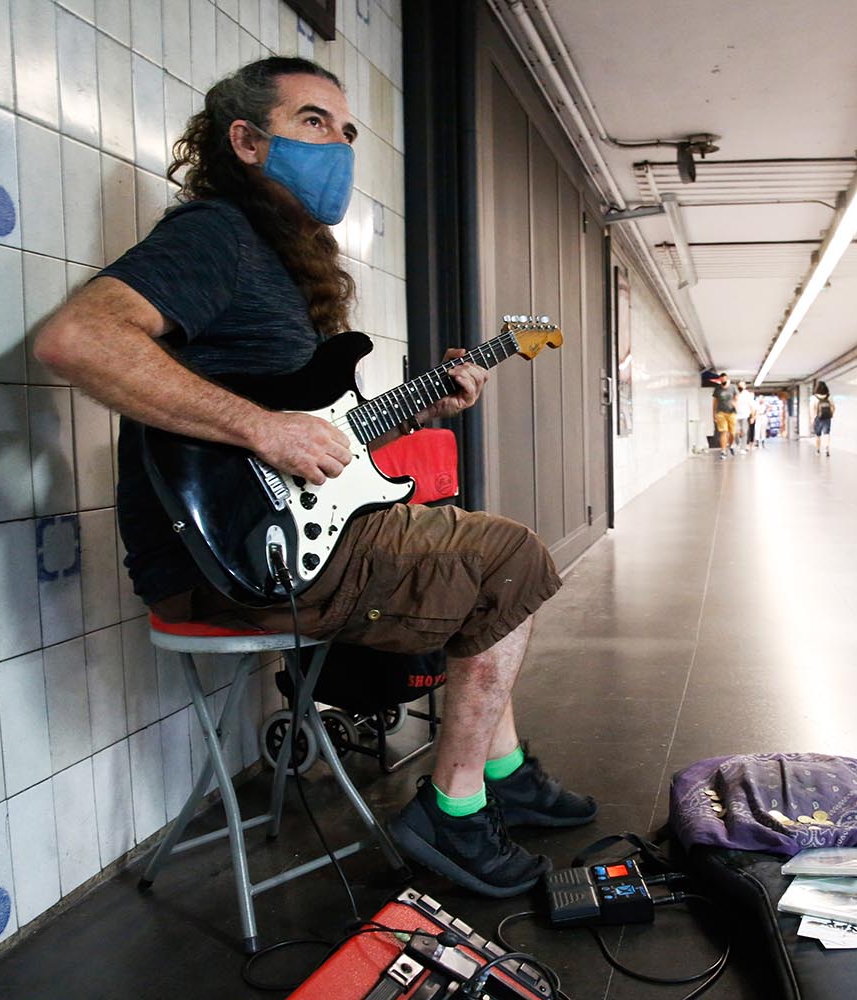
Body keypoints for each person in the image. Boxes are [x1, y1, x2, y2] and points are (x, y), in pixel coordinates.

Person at [32, 57, 596, 898]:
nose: (338, 145)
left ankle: (503, 771)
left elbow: (321, 438)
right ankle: (453, 812)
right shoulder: (214, 234)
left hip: (276, 533)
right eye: (313, 123)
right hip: (228, 558)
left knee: (474, 559)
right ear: (247, 142)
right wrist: (259, 427)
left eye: (346, 131)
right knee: (507, 556)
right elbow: (75, 339)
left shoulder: (278, 266)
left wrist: (422, 406)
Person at [712, 372, 739, 458]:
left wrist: (735, 404)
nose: (723, 381)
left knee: (732, 433)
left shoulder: (733, 387)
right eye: (721, 380)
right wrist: (714, 414)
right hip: (721, 412)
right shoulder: (717, 389)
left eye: (724, 380)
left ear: (727, 379)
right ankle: (723, 451)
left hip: (731, 412)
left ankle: (731, 445)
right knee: (723, 431)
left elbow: (736, 398)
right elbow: (715, 402)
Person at [810, 381, 834, 456]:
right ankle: (827, 449)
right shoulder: (829, 396)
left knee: (818, 434)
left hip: (818, 417)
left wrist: (812, 419)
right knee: (827, 433)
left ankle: (817, 450)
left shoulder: (814, 397)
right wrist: (831, 415)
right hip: (827, 417)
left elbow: (812, 409)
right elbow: (833, 407)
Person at [734, 380, 756, 455]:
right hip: (735, 416)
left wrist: (752, 417)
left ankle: (743, 448)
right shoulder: (734, 393)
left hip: (745, 416)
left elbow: (752, 406)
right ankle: (738, 444)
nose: (741, 387)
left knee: (744, 431)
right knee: (736, 431)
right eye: (740, 385)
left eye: (743, 385)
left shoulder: (747, 395)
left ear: (745, 386)